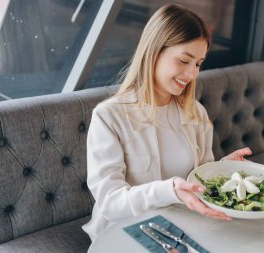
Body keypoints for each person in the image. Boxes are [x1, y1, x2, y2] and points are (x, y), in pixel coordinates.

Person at [82, 4, 252, 242]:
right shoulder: (109, 118)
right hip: (125, 233)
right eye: (184, 60)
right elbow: (111, 203)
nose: (192, 74)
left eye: (198, 63)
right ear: (154, 52)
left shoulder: (196, 114)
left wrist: (224, 171)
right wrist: (169, 190)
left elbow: (199, 181)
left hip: (182, 227)